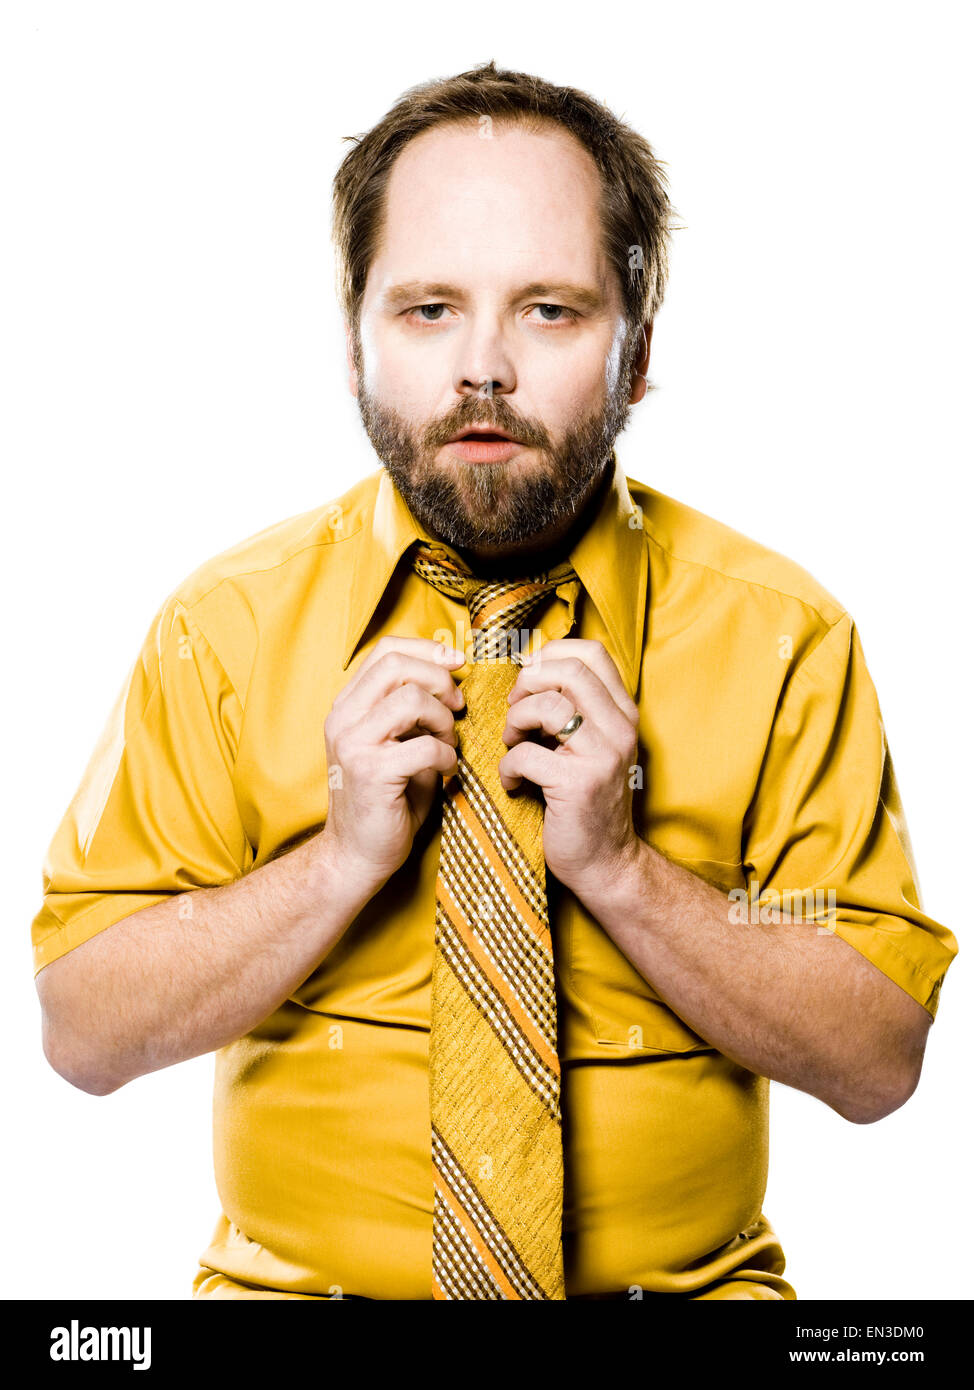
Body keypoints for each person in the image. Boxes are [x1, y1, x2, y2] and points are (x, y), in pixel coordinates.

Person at [31, 61, 958, 1302]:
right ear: (352, 337)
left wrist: (625, 873)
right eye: (425, 309)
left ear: (635, 353)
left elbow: (876, 1048)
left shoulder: (782, 635)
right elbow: (83, 1021)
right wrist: (336, 861)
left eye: (548, 310)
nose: (483, 369)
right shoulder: (224, 630)